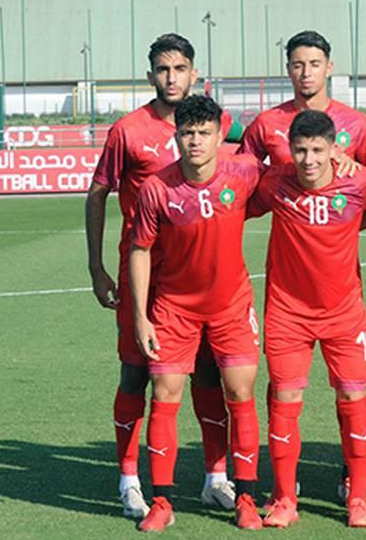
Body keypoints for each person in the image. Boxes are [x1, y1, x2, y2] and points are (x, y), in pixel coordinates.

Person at [85, 33, 239, 518]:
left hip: (199, 278)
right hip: (144, 273)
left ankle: (216, 477)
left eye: (179, 69)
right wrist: (95, 266)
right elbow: (97, 193)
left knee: (209, 371)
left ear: (194, 73)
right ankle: (129, 480)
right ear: (150, 74)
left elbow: (264, 149)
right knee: (136, 373)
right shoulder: (128, 130)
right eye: (162, 69)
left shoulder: (217, 123)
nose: (171, 78)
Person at [129, 95, 263, 531]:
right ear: (176, 135)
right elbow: (140, 250)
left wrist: (339, 159)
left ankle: (246, 496)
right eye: (187, 133)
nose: (196, 141)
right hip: (175, 309)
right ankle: (162, 502)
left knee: (240, 392)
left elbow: (293, 170)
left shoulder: (244, 173)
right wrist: (141, 317)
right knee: (164, 393)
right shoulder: (156, 188)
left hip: (231, 305)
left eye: (205, 133)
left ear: (220, 136)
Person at [246, 110, 366, 528]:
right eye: (301, 150)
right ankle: (285, 498)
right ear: (289, 149)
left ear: (333, 149)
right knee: (285, 401)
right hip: (288, 313)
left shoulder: (361, 181)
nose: (309, 159)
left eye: (318, 150)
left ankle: (358, 498)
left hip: (345, 313)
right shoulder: (274, 183)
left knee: (353, 399)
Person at [237, 30, 366, 168]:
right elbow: (242, 172)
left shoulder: (356, 123)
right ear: (288, 69)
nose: (306, 73)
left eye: (315, 65)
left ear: (329, 68)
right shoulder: (266, 123)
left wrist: (356, 172)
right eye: (298, 66)